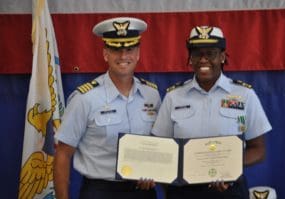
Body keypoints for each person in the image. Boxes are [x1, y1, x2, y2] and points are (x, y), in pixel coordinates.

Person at [151, 25, 272, 199]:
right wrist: (169, 189)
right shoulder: (173, 96)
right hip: (183, 191)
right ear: (190, 59)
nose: (203, 60)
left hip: (228, 190)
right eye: (197, 54)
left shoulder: (244, 95)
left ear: (222, 56)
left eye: (211, 53)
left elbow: (258, 149)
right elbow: (161, 148)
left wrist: (228, 167)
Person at [54, 17, 161, 199]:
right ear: (105, 54)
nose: (123, 56)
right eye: (116, 50)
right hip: (101, 191)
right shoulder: (85, 98)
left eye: (129, 49)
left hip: (143, 191)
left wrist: (155, 171)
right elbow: (63, 154)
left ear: (138, 54)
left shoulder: (152, 95)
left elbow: (159, 145)